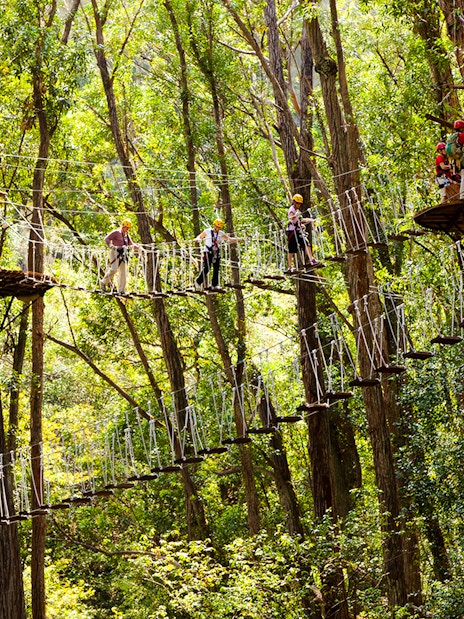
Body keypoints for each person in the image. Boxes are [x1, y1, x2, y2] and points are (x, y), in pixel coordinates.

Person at [194, 219, 240, 290]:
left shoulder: (221, 233)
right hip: (208, 251)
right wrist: (197, 239)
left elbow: (229, 239)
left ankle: (214, 285)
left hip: (216, 252)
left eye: (218, 228)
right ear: (214, 225)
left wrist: (238, 239)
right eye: (216, 227)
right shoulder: (207, 231)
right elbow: (200, 236)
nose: (217, 228)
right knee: (207, 268)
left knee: (216, 268)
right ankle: (198, 281)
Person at [101, 219, 139, 294]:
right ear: (123, 226)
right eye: (126, 227)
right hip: (115, 252)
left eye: (128, 228)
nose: (127, 229)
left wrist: (137, 247)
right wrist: (111, 245)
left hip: (123, 253)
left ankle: (121, 290)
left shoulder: (126, 235)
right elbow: (106, 239)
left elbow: (131, 244)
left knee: (123, 272)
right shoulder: (116, 232)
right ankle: (103, 282)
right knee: (114, 269)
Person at [285, 193, 318, 272]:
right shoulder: (292, 210)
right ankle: (289, 266)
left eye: (299, 203)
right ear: (294, 202)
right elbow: (291, 218)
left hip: (298, 231)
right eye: (297, 203)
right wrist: (296, 215)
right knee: (292, 249)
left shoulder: (297, 211)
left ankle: (312, 259)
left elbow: (301, 220)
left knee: (306, 243)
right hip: (292, 232)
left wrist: (309, 220)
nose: (298, 205)